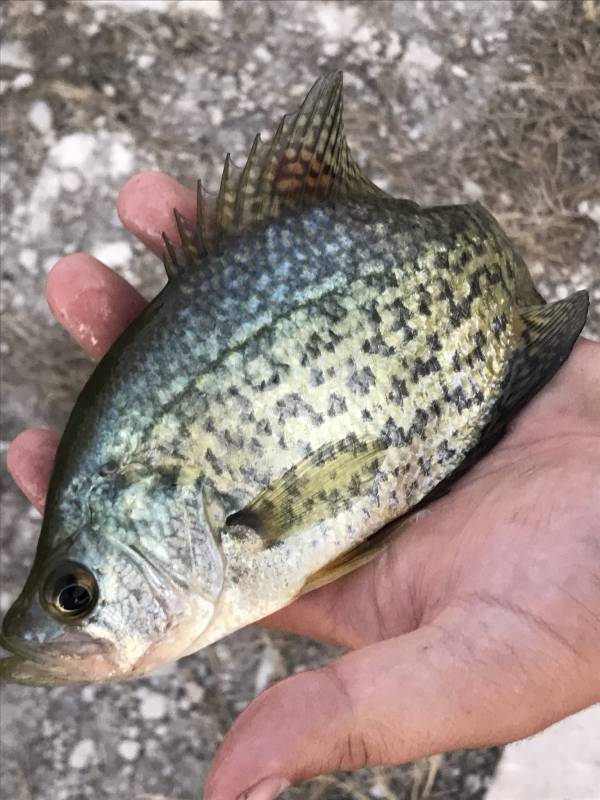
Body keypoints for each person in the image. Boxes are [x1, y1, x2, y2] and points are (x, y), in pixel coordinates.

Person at [7, 172, 600, 800]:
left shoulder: (244, 531)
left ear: (144, 500)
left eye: (76, 594)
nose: (70, 623)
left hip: (435, 288)